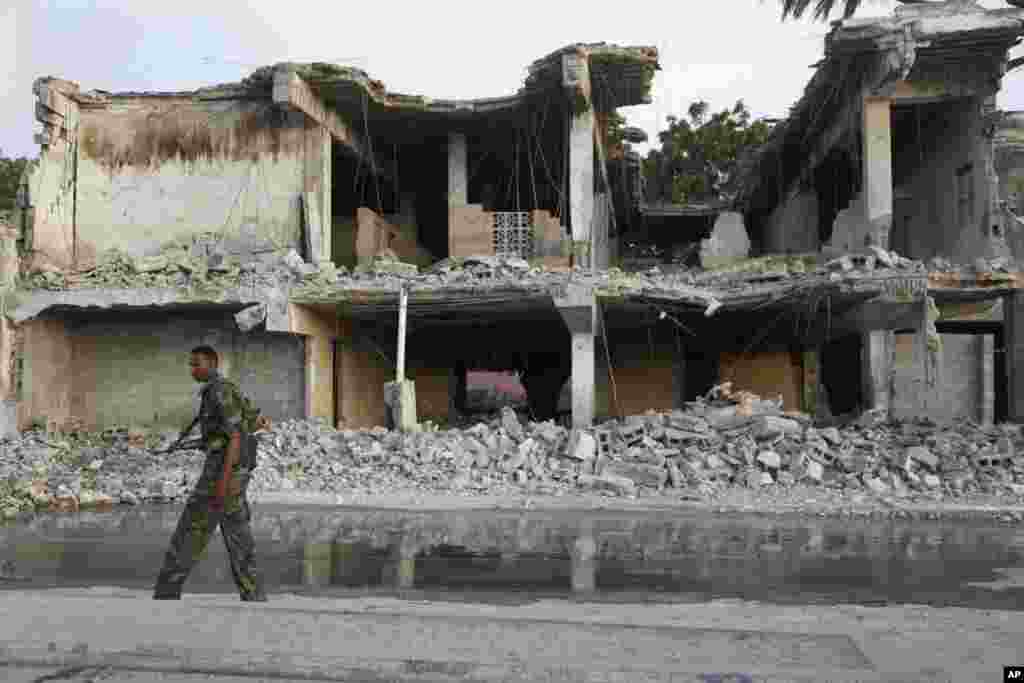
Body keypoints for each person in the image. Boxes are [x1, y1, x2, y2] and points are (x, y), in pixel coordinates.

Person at [152, 345, 267, 601]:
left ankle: (165, 596)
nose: (192, 370)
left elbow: (235, 438)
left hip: (223, 474)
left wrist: (221, 484)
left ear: (212, 364)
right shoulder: (217, 390)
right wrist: (183, 445)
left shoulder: (219, 391)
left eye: (197, 364)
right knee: (239, 539)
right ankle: (254, 598)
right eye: (190, 364)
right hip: (233, 473)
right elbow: (221, 436)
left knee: (188, 534)